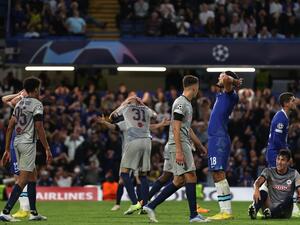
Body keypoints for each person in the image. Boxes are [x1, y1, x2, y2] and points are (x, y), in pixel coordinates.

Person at [143, 75, 208, 223]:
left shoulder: (187, 103)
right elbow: (176, 127)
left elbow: (187, 127)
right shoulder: (180, 103)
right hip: (179, 144)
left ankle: (151, 205)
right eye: (197, 88)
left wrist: (199, 145)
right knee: (191, 176)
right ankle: (193, 215)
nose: (198, 91)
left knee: (179, 181)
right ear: (193, 87)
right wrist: (179, 150)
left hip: (183, 143)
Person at [0, 77, 52, 222]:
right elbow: (39, 127)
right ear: (36, 89)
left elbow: (10, 126)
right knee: (22, 180)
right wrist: (47, 148)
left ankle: (33, 213)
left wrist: (7, 149)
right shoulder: (37, 104)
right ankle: (6, 212)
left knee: (33, 176)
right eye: (39, 87)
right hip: (28, 143)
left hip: (16, 142)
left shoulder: (19, 103)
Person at [96, 109, 169, 212]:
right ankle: (142, 205)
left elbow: (114, 127)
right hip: (139, 150)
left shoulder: (126, 123)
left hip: (129, 153)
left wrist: (104, 122)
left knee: (126, 178)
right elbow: (149, 127)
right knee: (139, 178)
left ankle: (133, 203)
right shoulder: (137, 123)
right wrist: (160, 124)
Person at [108, 96, 158, 215]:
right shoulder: (146, 109)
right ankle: (145, 206)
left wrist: (124, 103)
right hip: (147, 141)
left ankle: (135, 203)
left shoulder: (126, 107)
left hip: (133, 141)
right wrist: (143, 105)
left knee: (124, 173)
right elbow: (155, 115)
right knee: (143, 175)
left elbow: (112, 117)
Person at [207, 71, 242, 220]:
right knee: (216, 173)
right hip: (215, 138)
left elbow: (227, 80)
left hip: (219, 139)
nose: (218, 78)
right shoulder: (222, 95)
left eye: (220, 76)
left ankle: (226, 211)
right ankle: (224, 211)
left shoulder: (230, 94)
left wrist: (231, 80)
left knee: (219, 173)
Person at [264, 92, 300, 216]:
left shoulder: (283, 116)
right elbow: (277, 139)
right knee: (283, 180)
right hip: (275, 153)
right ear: (286, 103)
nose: (294, 102)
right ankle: (292, 207)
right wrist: (285, 154)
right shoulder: (281, 118)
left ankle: (265, 207)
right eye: (292, 100)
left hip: (276, 151)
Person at [1, 90, 30, 219]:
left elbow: (7, 100)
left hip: (19, 145)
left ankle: (24, 208)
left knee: (20, 178)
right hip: (17, 144)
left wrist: (19, 96)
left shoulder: (25, 109)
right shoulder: (22, 107)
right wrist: (19, 94)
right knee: (18, 176)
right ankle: (25, 208)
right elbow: (5, 99)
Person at [249, 149, 300, 219]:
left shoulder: (294, 173)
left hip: (285, 210)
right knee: (262, 192)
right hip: (269, 207)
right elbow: (257, 182)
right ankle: (254, 210)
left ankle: (271, 214)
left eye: (282, 160)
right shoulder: (268, 171)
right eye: (278, 159)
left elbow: (299, 188)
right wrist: (256, 189)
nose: (279, 162)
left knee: (289, 199)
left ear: (288, 162)